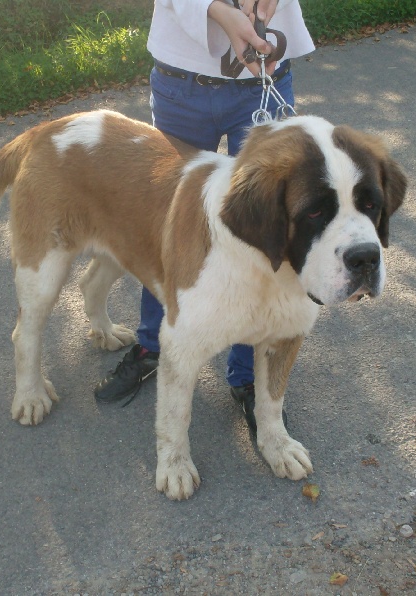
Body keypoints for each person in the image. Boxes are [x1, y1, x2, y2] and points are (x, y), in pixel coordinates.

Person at [94, 0, 315, 431]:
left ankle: (249, 377)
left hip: (262, 76)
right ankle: (154, 343)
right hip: (182, 80)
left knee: (266, 228)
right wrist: (214, 9)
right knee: (165, 220)